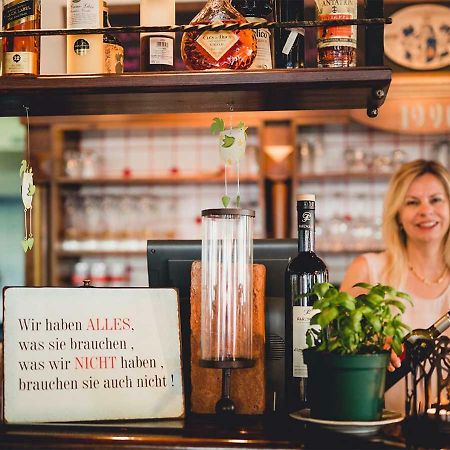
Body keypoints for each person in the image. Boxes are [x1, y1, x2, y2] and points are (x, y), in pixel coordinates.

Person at [340, 159, 450, 414]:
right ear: (397, 214)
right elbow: (337, 359)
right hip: (385, 430)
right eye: (412, 202)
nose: (425, 210)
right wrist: (369, 349)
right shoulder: (368, 270)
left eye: (435, 200)